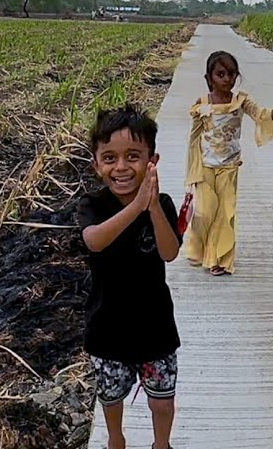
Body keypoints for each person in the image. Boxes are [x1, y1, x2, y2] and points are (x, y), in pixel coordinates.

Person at [76, 106, 181, 449]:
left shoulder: (162, 204)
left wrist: (150, 208)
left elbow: (169, 252)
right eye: (109, 158)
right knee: (111, 397)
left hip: (156, 327)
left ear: (152, 161)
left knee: (162, 401)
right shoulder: (92, 205)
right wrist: (135, 206)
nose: (121, 167)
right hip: (108, 327)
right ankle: (116, 441)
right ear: (96, 164)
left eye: (133, 157)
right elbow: (94, 240)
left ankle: (161, 444)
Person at [183, 50, 273, 277]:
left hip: (229, 166)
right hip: (205, 166)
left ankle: (220, 260)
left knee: (225, 213)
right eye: (220, 74)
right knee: (205, 212)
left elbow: (261, 114)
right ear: (209, 78)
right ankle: (198, 247)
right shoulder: (202, 104)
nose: (227, 79)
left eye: (232, 74)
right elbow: (194, 137)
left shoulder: (241, 101)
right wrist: (192, 169)